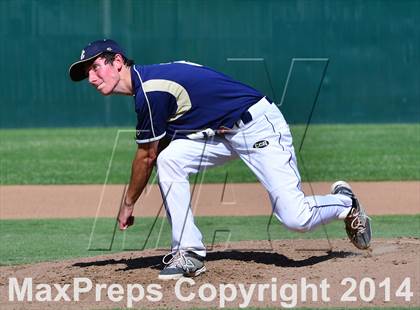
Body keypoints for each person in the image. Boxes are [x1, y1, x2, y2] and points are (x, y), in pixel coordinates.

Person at [69, 39, 371, 280]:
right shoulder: (148, 86)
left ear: (117, 61)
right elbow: (163, 147)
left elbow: (146, 156)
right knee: (171, 159)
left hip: (258, 127)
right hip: (221, 133)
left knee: (296, 218)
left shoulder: (151, 90)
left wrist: (128, 202)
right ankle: (189, 252)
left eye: (95, 68)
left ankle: (346, 204)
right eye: (87, 75)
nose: (92, 78)